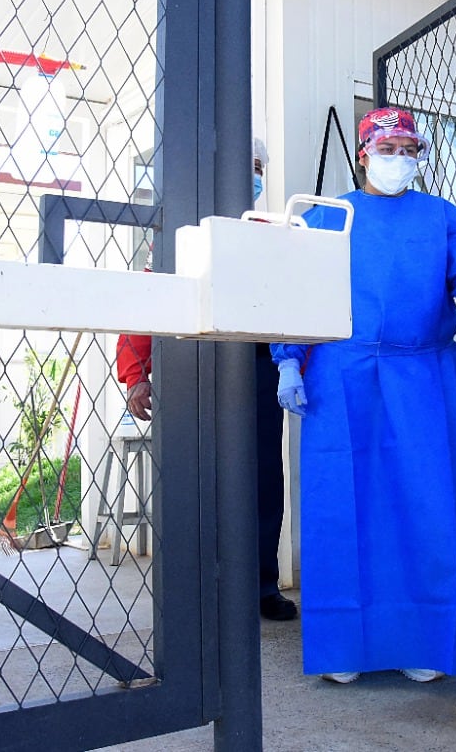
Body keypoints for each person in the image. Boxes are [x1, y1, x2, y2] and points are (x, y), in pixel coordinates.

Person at [271, 107, 456, 684]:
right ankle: (345, 648)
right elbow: (296, 292)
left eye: (410, 149)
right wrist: (288, 360)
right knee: (345, 505)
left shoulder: (441, 217)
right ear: (364, 153)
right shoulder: (328, 217)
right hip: (342, 373)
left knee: (425, 504)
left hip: (422, 376)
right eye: (388, 149)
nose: (400, 160)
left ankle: (425, 641)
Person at [116, 136, 298, 622]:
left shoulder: (270, 232)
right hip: (191, 370)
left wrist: (292, 364)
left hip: (256, 369)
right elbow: (147, 299)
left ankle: (260, 586)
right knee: (194, 478)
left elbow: (291, 300)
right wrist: (136, 376)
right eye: (244, 164)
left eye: (259, 165)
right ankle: (196, 589)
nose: (252, 174)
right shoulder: (184, 229)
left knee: (262, 481)